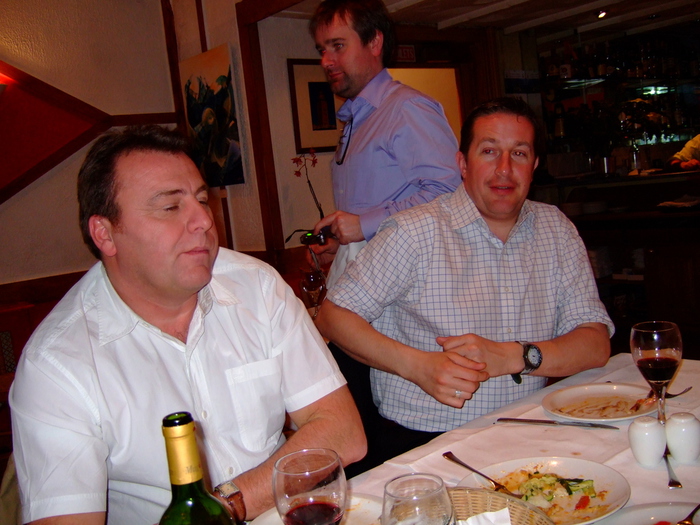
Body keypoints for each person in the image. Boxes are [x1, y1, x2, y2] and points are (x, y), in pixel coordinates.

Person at [9, 126, 366, 525]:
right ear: (105, 234)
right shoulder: (58, 364)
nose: (203, 221)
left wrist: (222, 508)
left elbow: (344, 433)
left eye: (201, 200)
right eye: (170, 207)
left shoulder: (257, 287)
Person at [316, 97, 614, 468]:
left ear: (534, 166)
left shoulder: (556, 229)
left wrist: (513, 356)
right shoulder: (414, 232)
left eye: (519, 153)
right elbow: (332, 316)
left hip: (527, 429)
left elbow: (595, 344)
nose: (504, 169)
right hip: (424, 442)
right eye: (489, 151)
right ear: (462, 164)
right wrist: (419, 367)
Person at [307, 0, 462, 289]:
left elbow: (451, 194)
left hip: (411, 293)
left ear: (375, 42)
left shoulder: (407, 108)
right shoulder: (358, 119)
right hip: (372, 288)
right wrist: (343, 245)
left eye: (338, 46)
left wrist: (363, 225)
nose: (326, 61)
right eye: (322, 50)